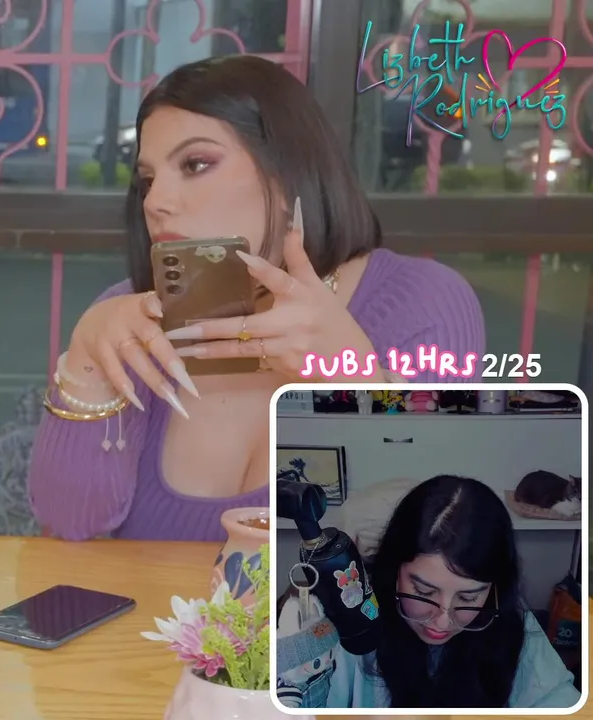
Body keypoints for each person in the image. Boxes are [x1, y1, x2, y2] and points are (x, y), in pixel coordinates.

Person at [27, 56, 484, 542]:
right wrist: (86, 363)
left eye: (195, 164)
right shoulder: (129, 316)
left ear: (286, 176)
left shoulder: (421, 301)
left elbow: (441, 533)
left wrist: (357, 382)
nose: (155, 202)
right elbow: (70, 525)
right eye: (147, 180)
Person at [277, 475, 580, 709]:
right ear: (395, 569)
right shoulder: (354, 619)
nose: (443, 621)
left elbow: (560, 703)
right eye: (423, 592)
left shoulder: (512, 622)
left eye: (468, 597)